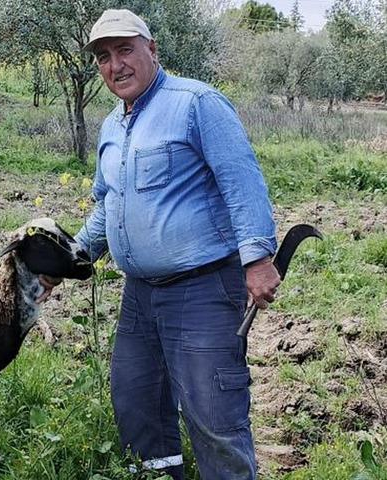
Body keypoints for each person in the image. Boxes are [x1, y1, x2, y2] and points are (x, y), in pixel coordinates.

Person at [75, 9, 281, 480]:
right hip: (140, 295)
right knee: (137, 402)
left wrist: (258, 258)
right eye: (104, 57)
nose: (115, 65)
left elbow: (241, 180)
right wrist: (71, 259)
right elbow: (108, 206)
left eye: (125, 49)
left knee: (214, 416)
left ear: (152, 49)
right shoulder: (111, 126)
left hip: (203, 290)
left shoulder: (196, 103)